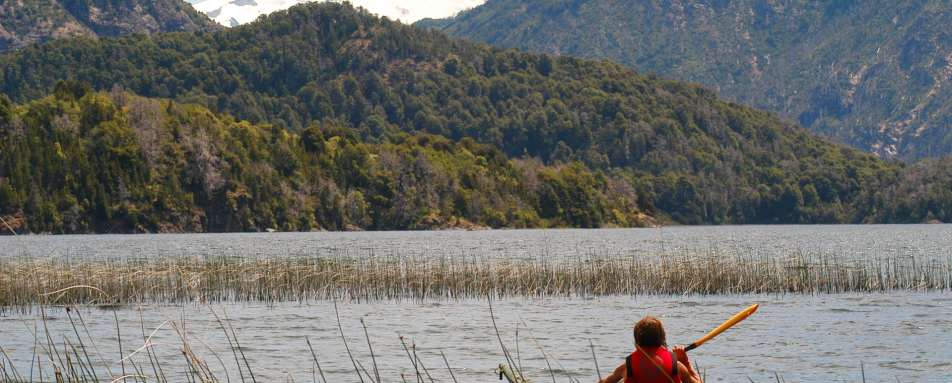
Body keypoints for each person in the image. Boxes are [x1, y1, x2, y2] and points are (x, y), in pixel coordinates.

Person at [597, 316, 703, 383]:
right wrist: (685, 361)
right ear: (662, 339)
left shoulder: (627, 366)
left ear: (637, 342)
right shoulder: (676, 365)